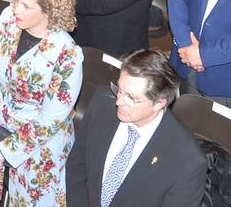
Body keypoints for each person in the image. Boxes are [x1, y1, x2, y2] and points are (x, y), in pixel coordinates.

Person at [0, 0, 84, 206]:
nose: (16, 9)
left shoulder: (66, 53)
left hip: (38, 144)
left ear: (48, 11)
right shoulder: (7, 19)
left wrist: (4, 150)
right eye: (15, 0)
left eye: (26, 6)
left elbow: (49, 122)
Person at [65, 49, 207, 207]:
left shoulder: (187, 161)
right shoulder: (102, 102)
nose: (119, 101)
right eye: (119, 89)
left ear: (160, 102)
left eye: (131, 97)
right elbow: (78, 163)